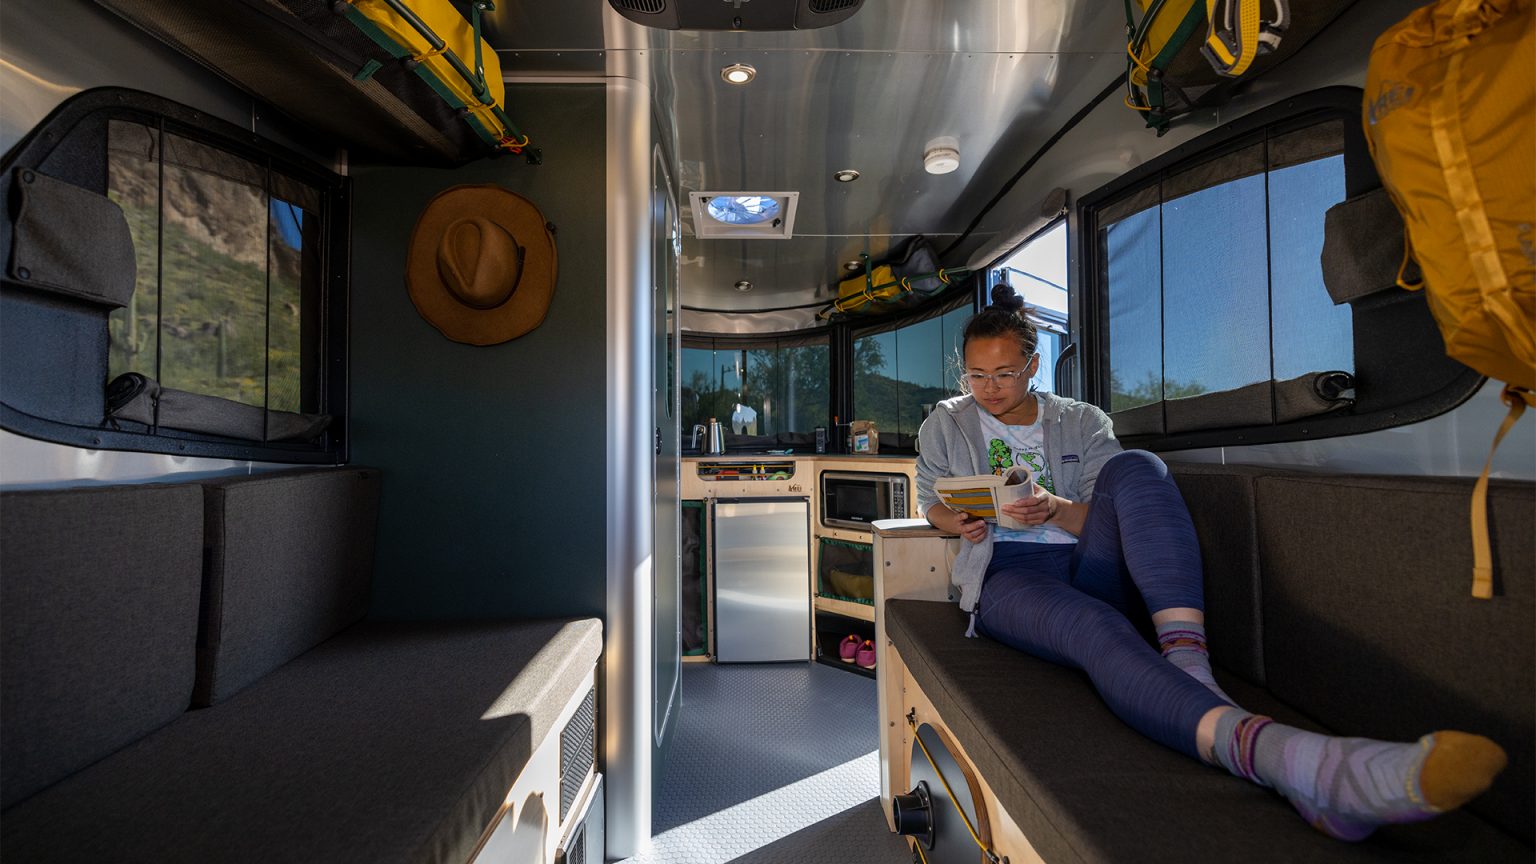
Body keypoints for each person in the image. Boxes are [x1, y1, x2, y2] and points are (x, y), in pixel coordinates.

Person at [914, 285, 1507, 842]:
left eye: (1004, 373)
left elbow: (1102, 515)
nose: (989, 388)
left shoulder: (1082, 420)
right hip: (1009, 573)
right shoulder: (947, 422)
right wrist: (960, 522)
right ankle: (1296, 764)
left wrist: (1056, 509)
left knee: (1138, 466)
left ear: (1033, 365)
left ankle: (1187, 661)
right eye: (976, 375)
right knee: (1098, 626)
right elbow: (931, 502)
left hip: (1086, 555)